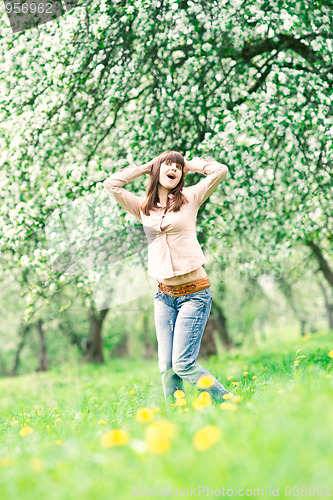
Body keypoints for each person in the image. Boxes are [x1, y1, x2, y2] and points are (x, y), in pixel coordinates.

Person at [103, 150, 232, 408]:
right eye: (167, 164)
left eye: (177, 166)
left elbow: (221, 171)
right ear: (157, 169)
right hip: (164, 296)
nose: (173, 168)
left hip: (194, 294)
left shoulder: (191, 198)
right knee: (167, 366)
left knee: (183, 364)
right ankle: (179, 417)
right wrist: (143, 167)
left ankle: (229, 403)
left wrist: (192, 165)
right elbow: (111, 184)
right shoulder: (143, 208)